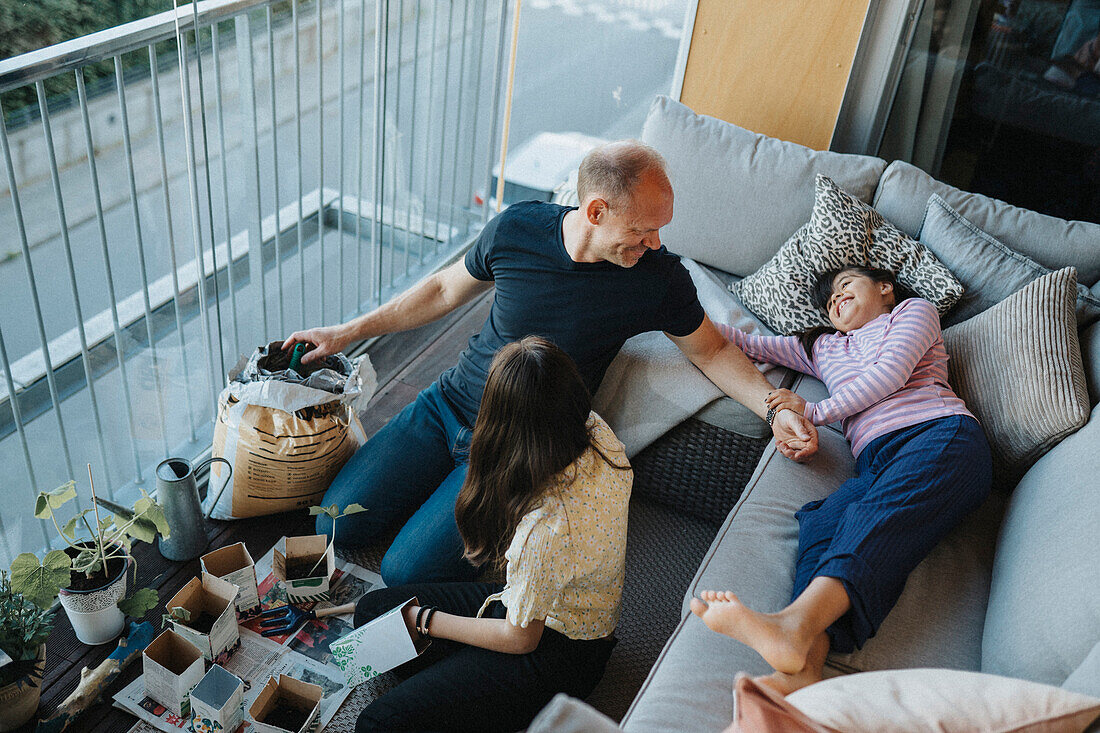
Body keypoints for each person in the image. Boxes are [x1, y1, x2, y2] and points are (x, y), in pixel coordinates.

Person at [283, 139, 818, 585]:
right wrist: (347, 332)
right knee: (334, 523)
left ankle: (486, 513)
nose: (655, 243)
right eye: (642, 230)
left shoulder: (658, 278)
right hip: (446, 405)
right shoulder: (517, 229)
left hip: (518, 445)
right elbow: (445, 288)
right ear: (595, 211)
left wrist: (775, 410)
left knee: (405, 573)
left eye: (660, 230)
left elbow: (714, 349)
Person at [690, 265, 992, 695]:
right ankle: (804, 667)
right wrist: (672, 316)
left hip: (941, 435)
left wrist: (810, 411)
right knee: (822, 523)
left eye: (845, 285)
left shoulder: (912, 312)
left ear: (885, 288)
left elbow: (888, 376)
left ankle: (794, 624)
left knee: (874, 515)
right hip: (876, 460)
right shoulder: (821, 345)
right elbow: (743, 341)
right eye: (828, 301)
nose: (835, 299)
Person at [351, 337, 630, 732]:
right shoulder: (596, 432)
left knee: (377, 722)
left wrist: (426, 620)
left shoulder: (546, 531)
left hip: (563, 651)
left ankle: (472, 694)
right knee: (371, 614)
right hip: (532, 605)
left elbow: (520, 640)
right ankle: (463, 689)